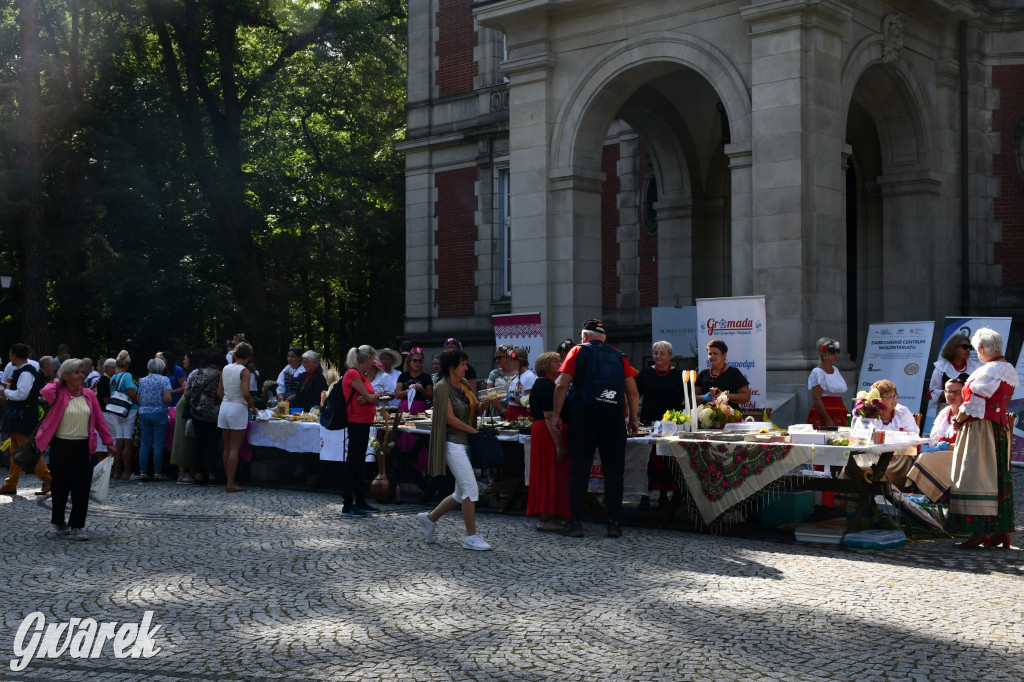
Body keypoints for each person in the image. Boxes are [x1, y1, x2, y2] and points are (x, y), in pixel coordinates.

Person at [552, 319, 639, 539]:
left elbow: (562, 385)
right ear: (604, 338)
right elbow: (632, 391)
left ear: (584, 336)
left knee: (579, 470)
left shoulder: (577, 352)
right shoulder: (619, 356)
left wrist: (556, 414)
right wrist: (633, 419)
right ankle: (613, 522)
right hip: (613, 418)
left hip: (584, 416)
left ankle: (575, 522)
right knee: (614, 471)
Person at [946, 328, 1018, 549]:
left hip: (981, 430)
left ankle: (980, 532)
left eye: (977, 349)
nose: (977, 353)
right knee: (995, 478)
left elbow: (973, 403)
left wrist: (958, 420)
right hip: (997, 431)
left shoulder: (989, 371)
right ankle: (998, 530)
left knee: (976, 476)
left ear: (983, 348)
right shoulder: (1008, 369)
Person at [417, 349, 493, 550]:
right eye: (462, 365)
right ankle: (471, 537)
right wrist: (474, 432)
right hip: (452, 442)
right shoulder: (441, 387)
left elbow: (476, 408)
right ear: (451, 367)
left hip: (465, 441)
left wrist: (486, 402)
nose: (466, 368)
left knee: (461, 493)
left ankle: (429, 519)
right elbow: (449, 419)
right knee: (470, 489)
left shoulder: (465, 384)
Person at [37, 358, 116, 540]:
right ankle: (59, 523)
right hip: (61, 445)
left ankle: (77, 526)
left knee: (81, 488)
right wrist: (58, 382)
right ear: (66, 375)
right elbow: (44, 391)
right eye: (77, 372)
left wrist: (108, 441)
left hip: (84, 447)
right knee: (60, 487)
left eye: (82, 372)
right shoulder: (57, 392)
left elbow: (100, 421)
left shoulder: (89, 395)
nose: (81, 375)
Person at [635, 340, 685, 508]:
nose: (658, 356)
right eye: (656, 353)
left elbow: (686, 400)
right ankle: (644, 495)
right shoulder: (645, 374)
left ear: (670, 356)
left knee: (667, 461)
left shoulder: (679, 375)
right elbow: (635, 396)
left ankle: (665, 494)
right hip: (649, 424)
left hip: (671, 426)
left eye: (662, 353)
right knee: (646, 461)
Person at [525, 351, 570, 531]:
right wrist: (559, 445)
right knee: (548, 474)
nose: (559, 364)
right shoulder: (545, 386)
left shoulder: (549, 384)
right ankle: (545, 516)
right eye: (555, 361)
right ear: (545, 366)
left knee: (551, 474)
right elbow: (549, 416)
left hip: (545, 431)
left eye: (560, 360)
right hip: (547, 433)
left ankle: (548, 515)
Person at [0, 343, 52, 495]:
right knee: (15, 450)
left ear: (14, 355)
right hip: (17, 415)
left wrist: (5, 393)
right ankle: (11, 483)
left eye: (10, 354)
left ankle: (47, 478)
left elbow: (22, 394)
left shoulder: (26, 373)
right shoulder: (21, 371)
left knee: (28, 449)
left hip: (23, 416)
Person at [339, 345, 383, 518]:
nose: (373, 363)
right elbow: (373, 397)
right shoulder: (353, 374)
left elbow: (372, 399)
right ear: (366, 359)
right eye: (372, 360)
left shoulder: (362, 376)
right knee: (353, 463)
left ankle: (360, 500)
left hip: (364, 422)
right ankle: (348, 504)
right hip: (355, 421)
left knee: (359, 463)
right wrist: (372, 397)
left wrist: (371, 398)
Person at [906, 378, 963, 502]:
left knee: (925, 458)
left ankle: (926, 497)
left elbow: (969, 444)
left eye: (957, 392)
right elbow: (934, 439)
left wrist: (946, 446)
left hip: (961, 453)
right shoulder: (944, 413)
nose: (951, 395)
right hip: (943, 453)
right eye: (948, 391)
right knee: (922, 456)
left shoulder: (967, 414)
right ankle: (920, 497)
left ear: (964, 393)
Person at [218, 342, 256, 492]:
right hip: (237, 407)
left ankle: (228, 480)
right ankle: (231, 483)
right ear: (248, 356)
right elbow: (246, 393)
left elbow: (219, 392)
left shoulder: (226, 368)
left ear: (234, 354)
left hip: (225, 406)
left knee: (226, 447)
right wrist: (252, 407)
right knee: (235, 448)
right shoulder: (244, 371)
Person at [869, 379, 921, 485]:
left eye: (895, 396)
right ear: (878, 400)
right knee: (855, 467)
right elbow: (862, 437)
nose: (894, 400)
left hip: (898, 456)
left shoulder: (902, 412)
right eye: (889, 397)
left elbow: (914, 437)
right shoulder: (869, 413)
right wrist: (880, 451)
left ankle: (886, 495)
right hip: (873, 454)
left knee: (883, 470)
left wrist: (892, 450)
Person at [395, 346, 434, 470]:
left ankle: (419, 466)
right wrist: (408, 390)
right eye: (415, 360)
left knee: (419, 435)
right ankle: (402, 465)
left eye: (420, 361)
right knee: (404, 435)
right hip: (405, 408)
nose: (418, 363)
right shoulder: (403, 376)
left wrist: (421, 389)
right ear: (409, 362)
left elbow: (431, 396)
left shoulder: (426, 377)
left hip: (420, 408)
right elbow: (397, 394)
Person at [187, 354, 223, 485]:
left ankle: (198, 474)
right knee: (213, 445)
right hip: (214, 414)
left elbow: (187, 393)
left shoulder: (196, 373)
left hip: (196, 412)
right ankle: (212, 474)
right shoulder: (220, 375)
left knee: (199, 444)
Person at [137, 357, 172, 481]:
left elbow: (138, 399)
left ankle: (143, 472)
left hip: (144, 413)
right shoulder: (164, 380)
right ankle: (157, 472)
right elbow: (167, 398)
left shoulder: (143, 380)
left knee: (145, 443)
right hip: (159, 413)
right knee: (158, 443)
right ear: (162, 368)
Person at [107, 350, 138, 481]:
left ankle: (116, 471)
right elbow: (130, 392)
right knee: (128, 442)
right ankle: (127, 472)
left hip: (117, 410)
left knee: (119, 441)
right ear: (128, 363)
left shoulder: (113, 377)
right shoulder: (127, 376)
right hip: (129, 409)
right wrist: (140, 401)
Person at [927, 334, 980, 410]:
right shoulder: (941, 367)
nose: (968, 350)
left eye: (970, 347)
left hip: (968, 410)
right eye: (965, 347)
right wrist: (956, 393)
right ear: (954, 348)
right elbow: (933, 392)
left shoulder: (975, 368)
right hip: (946, 409)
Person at [696, 339, 751, 408]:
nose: (711, 356)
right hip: (706, 417)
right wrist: (703, 397)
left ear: (724, 355)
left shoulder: (734, 373)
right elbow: (692, 397)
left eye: (715, 354)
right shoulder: (703, 374)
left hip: (730, 417)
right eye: (710, 354)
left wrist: (725, 396)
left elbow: (746, 396)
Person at [807, 337, 848, 428]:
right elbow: (817, 398)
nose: (835, 355)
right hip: (825, 414)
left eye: (837, 351)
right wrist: (827, 420)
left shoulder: (836, 370)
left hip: (840, 411)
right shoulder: (818, 372)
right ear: (823, 353)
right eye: (832, 352)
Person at [505, 348, 536, 421]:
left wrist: (510, 397)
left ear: (518, 361)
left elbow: (529, 402)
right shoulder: (515, 376)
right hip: (512, 412)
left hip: (522, 415)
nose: (509, 362)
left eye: (510, 360)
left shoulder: (529, 377)